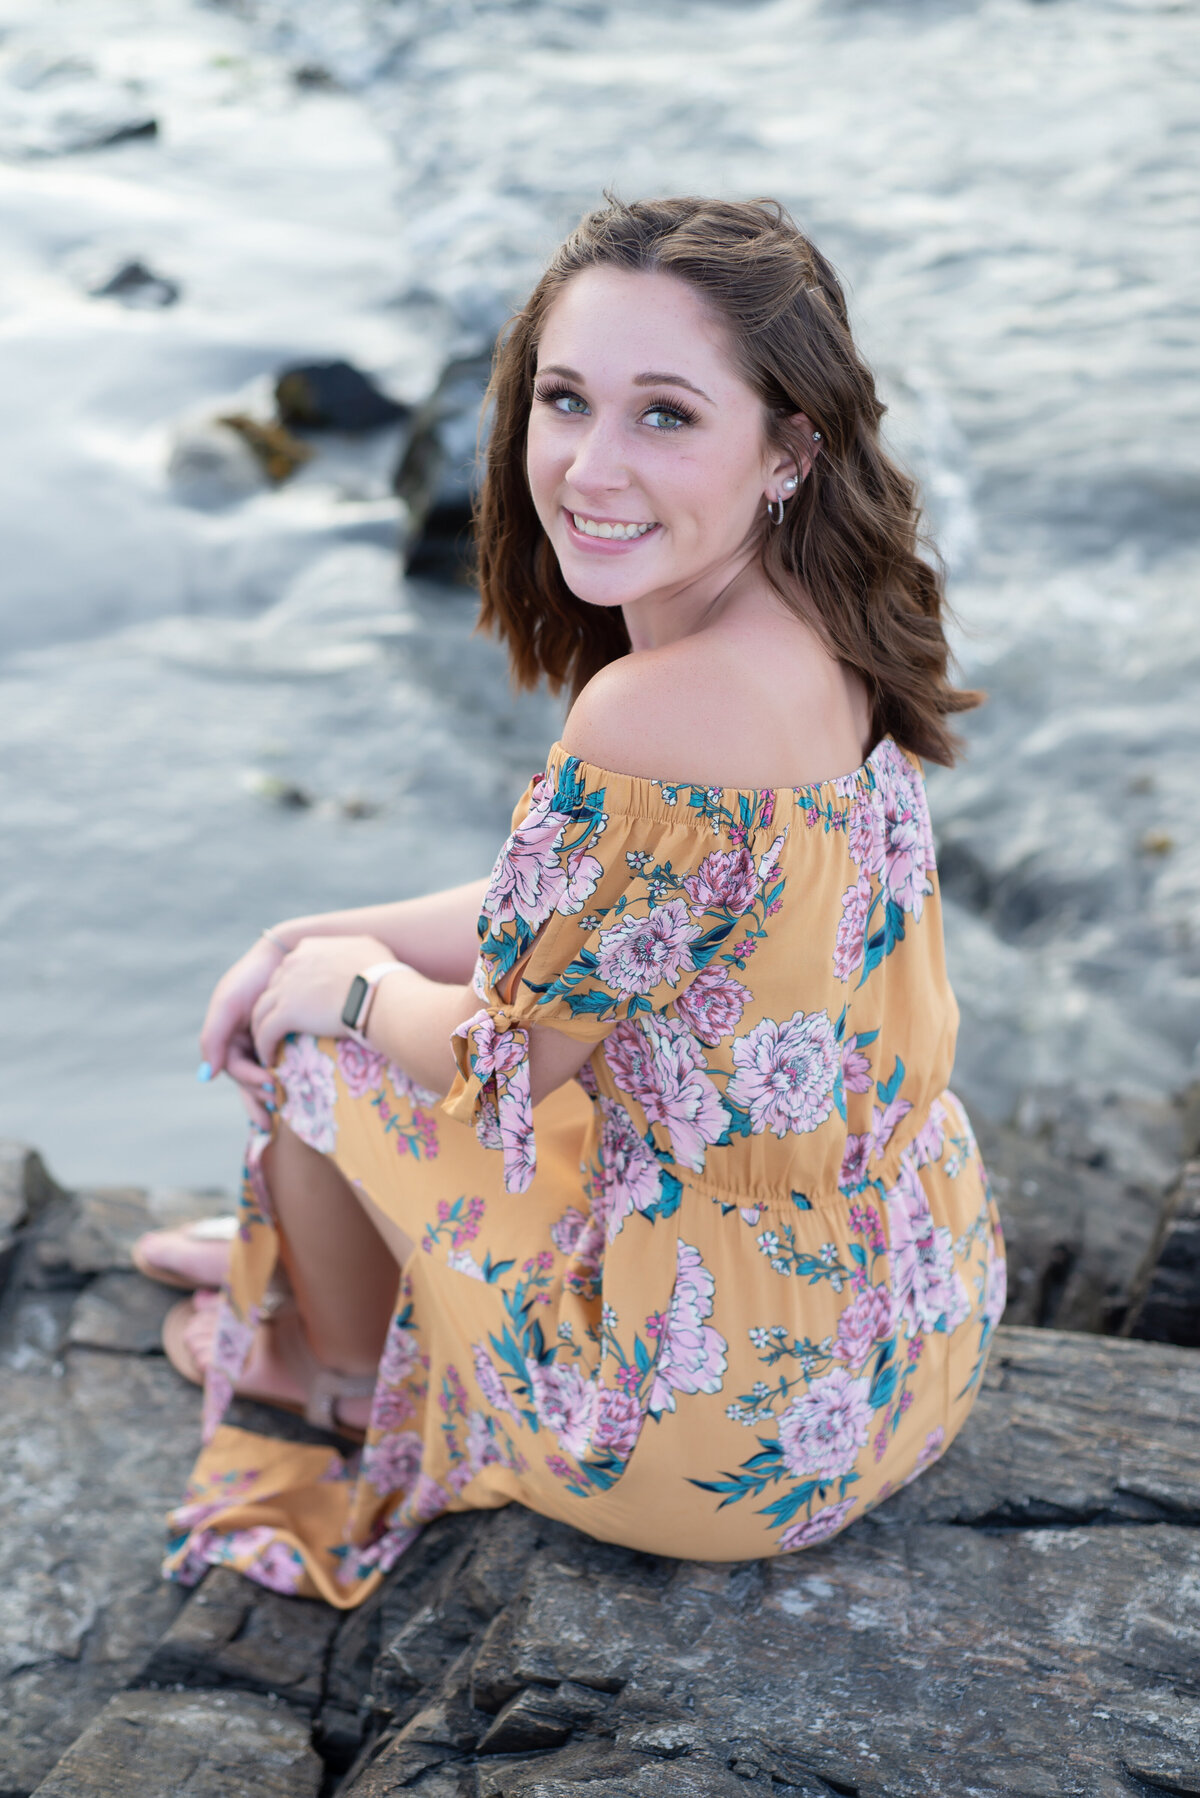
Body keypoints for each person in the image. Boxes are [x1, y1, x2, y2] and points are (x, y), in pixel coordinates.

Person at [138, 195, 1006, 1607]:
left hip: (709, 1418)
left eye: (665, 415)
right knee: (355, 985)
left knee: (323, 1049)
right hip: (909, 1320)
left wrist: (336, 987)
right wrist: (314, 930)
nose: (590, 466)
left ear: (792, 444)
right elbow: (599, 927)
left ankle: (348, 1381)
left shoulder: (653, 713)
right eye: (563, 399)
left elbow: (493, 1060)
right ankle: (330, 1257)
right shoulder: (842, 616)